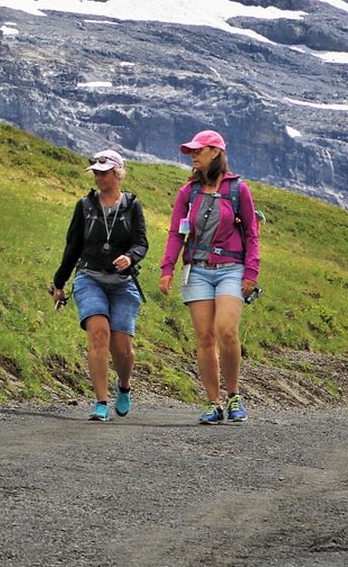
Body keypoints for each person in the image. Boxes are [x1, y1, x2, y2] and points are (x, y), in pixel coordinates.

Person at [158, 129, 260, 424]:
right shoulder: (186, 192)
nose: (193, 157)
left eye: (197, 152)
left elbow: (251, 233)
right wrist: (167, 269)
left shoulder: (238, 189)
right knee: (204, 337)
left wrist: (251, 271)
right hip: (197, 270)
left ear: (215, 152)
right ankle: (213, 402)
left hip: (231, 269)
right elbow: (177, 233)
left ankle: (234, 394)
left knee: (226, 330)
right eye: (190, 153)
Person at [51, 149, 149, 421]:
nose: (98, 177)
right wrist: (59, 283)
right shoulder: (85, 205)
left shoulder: (132, 205)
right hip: (89, 277)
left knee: (122, 348)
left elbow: (142, 243)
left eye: (103, 172)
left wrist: (129, 258)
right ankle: (101, 402)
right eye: (95, 172)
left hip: (123, 283)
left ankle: (124, 386)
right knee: (98, 334)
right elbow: (73, 246)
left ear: (117, 174)